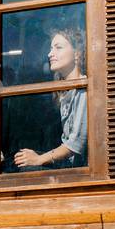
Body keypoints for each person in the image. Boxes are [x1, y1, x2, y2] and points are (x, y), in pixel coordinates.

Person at [13, 26, 87, 170]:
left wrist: (39, 159)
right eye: (51, 48)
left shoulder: (83, 89)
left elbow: (76, 144)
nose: (50, 54)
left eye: (58, 48)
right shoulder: (64, 92)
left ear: (77, 54)